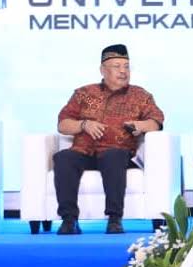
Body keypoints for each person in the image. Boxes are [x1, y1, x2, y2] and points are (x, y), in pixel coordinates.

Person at [53, 44, 164, 235]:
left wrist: (141, 125)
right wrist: (84, 125)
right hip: (84, 151)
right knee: (63, 157)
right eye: (117, 66)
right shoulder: (84, 93)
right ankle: (69, 220)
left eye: (126, 66)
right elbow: (63, 124)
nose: (123, 71)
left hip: (118, 153)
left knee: (113, 156)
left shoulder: (140, 96)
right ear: (102, 70)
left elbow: (156, 121)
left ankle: (114, 219)